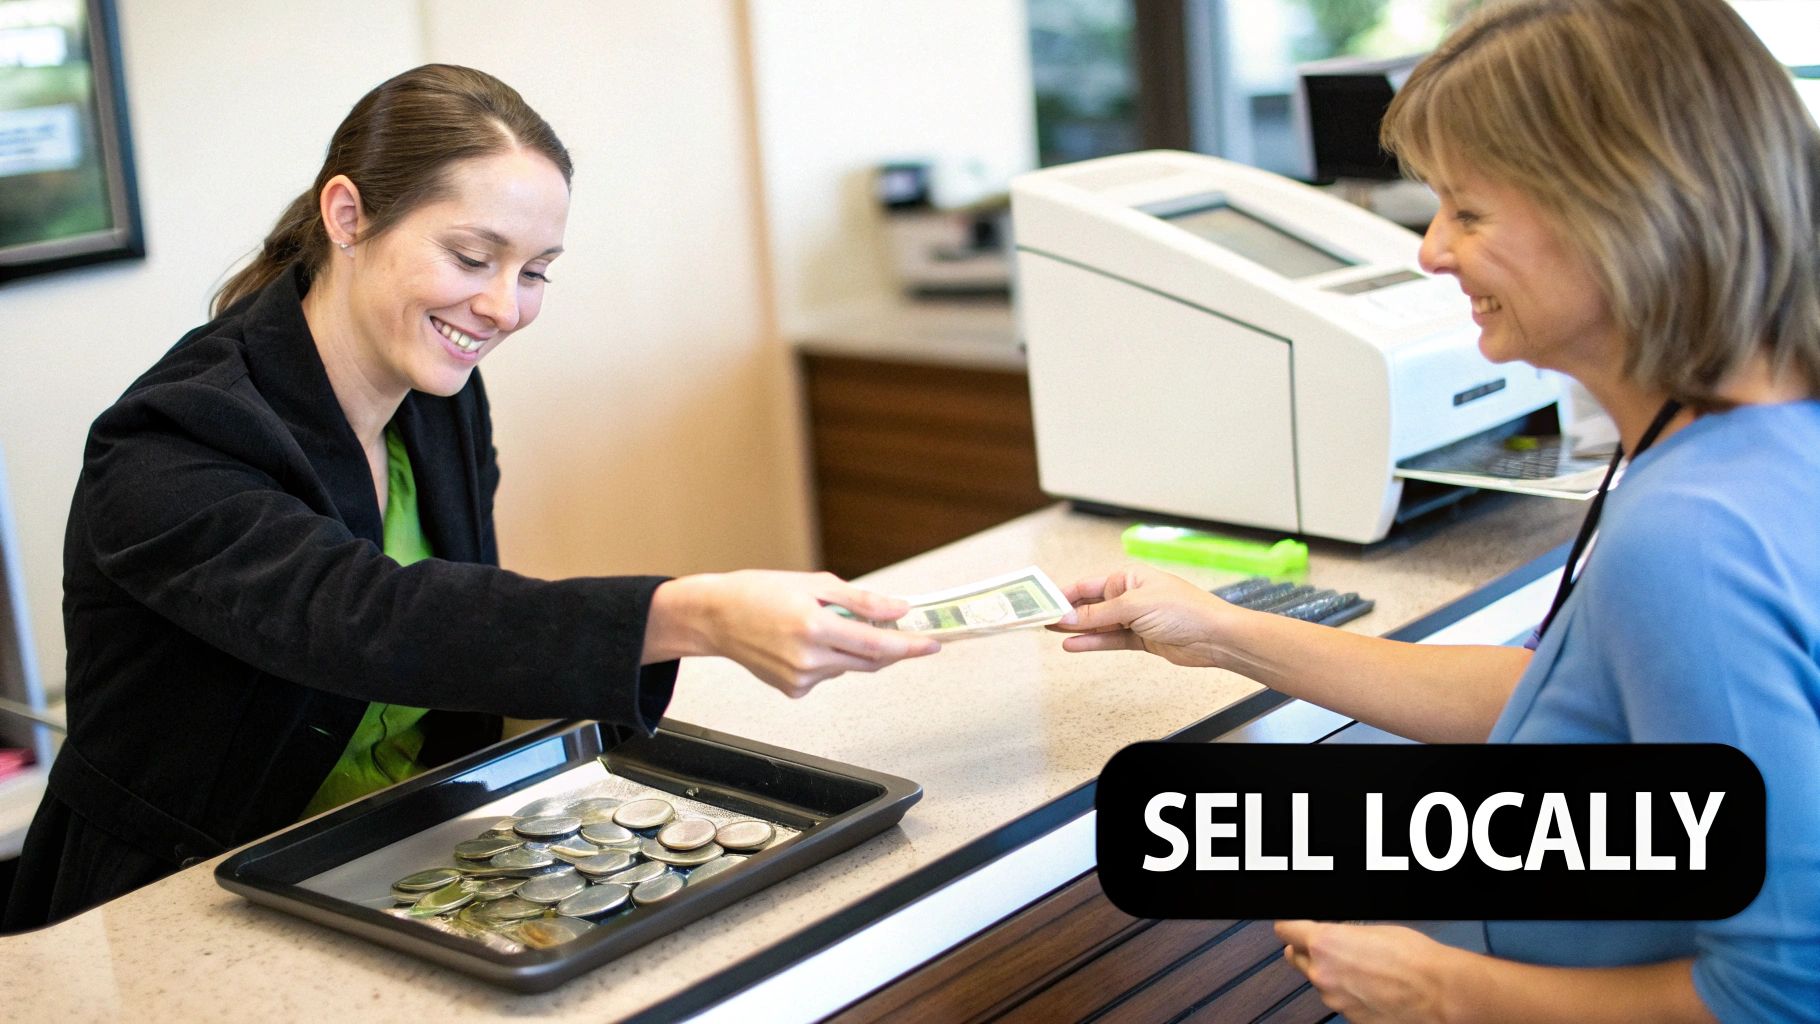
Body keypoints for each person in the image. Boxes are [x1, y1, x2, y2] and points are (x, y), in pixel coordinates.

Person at [2, 64, 937, 931]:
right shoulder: (172, 439)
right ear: (347, 215)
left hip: (390, 861)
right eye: (471, 256)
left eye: (533, 272)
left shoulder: (437, 395)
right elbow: (366, 621)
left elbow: (458, 635)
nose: (500, 307)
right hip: (176, 903)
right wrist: (690, 613)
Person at [1051, 1, 1820, 1020]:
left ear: (1618, 208)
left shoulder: (1688, 537)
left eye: (1466, 210)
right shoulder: (1758, 437)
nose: (1427, 250)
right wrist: (1227, 632)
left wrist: (1442, 986)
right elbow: (1580, 716)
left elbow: (1779, 992)